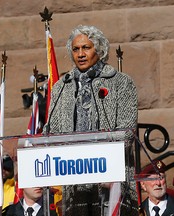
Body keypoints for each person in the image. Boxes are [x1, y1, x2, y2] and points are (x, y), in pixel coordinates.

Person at [43, 25, 138, 215]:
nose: (80, 54)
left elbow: (127, 131)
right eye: (76, 49)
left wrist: (104, 162)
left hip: (110, 180)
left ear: (100, 49)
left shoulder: (121, 82)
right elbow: (51, 130)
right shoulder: (62, 86)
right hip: (74, 183)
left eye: (86, 47)